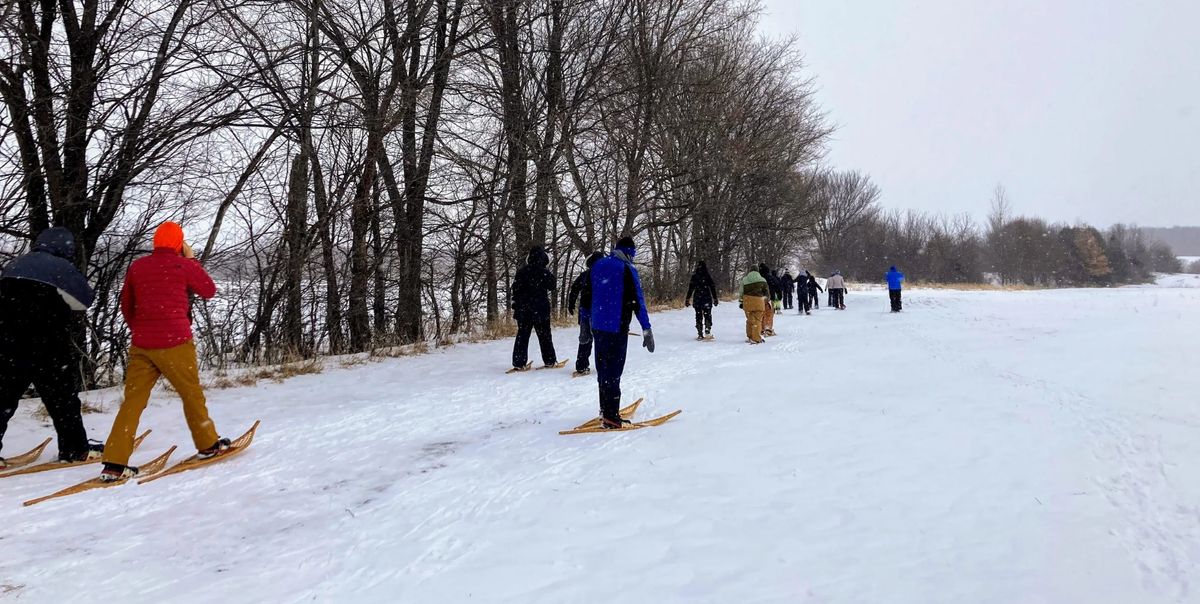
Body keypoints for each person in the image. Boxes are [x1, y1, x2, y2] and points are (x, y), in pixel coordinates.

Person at [100, 222, 227, 481]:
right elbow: (209, 290)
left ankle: (114, 462)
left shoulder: (138, 266)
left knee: (132, 403)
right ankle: (208, 445)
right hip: (176, 342)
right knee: (191, 394)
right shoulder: (184, 265)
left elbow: (127, 304)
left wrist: (140, 328)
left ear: (155, 242)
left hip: (142, 344)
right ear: (179, 244)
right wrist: (192, 260)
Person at [0, 227, 100, 468]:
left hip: (8, 345)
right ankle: (74, 449)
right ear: (65, 248)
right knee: (62, 400)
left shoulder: (14, 265)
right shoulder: (61, 267)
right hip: (47, 346)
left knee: (3, 398)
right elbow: (85, 299)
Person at [588, 236, 654, 429]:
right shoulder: (627, 269)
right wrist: (646, 328)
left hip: (597, 326)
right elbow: (638, 302)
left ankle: (604, 408)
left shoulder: (598, 265)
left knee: (602, 368)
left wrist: (585, 324)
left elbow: (586, 295)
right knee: (614, 370)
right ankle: (611, 416)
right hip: (616, 327)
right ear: (629, 252)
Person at [510, 245, 559, 369]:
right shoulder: (544, 272)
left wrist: (517, 304)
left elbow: (515, 289)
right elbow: (553, 285)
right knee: (545, 336)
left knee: (522, 335)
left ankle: (519, 363)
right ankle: (549, 361)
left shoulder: (522, 271)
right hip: (540, 309)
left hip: (524, 310)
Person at [567, 252, 604, 375]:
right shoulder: (606, 275)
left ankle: (581, 365)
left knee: (585, 339)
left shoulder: (584, 275)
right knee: (601, 339)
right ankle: (603, 366)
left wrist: (571, 303)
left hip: (585, 311)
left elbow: (574, 289)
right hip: (599, 313)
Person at [684, 260, 719, 340]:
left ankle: (700, 333)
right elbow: (712, 287)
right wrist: (715, 298)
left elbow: (691, 288)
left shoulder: (694, 276)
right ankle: (707, 328)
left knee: (698, 315)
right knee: (708, 314)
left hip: (697, 298)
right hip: (706, 297)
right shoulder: (707, 276)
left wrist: (687, 299)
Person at [739, 265, 769, 344]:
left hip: (747, 301)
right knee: (758, 320)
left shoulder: (744, 280)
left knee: (749, 320)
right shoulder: (762, 279)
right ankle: (756, 338)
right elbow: (766, 293)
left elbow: (741, 292)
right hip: (759, 301)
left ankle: (750, 336)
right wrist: (766, 301)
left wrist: (741, 302)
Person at [758, 263, 779, 337]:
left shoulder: (758, 278)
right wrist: (779, 295)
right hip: (770, 298)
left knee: (761, 314)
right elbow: (778, 286)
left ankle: (761, 329)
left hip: (759, 298)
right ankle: (768, 329)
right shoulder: (770, 277)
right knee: (769, 314)